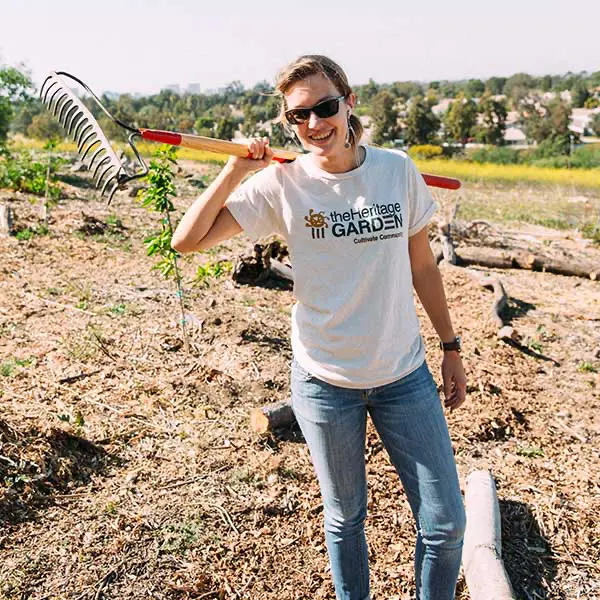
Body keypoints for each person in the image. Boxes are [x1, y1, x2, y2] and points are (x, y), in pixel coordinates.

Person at [172, 55, 467, 600]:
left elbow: (422, 266)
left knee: (446, 524)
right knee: (345, 519)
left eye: (324, 108)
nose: (313, 125)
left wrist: (451, 347)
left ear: (348, 103)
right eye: (298, 116)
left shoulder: (396, 170)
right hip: (325, 383)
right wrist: (236, 169)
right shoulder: (283, 182)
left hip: (404, 375)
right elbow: (186, 241)